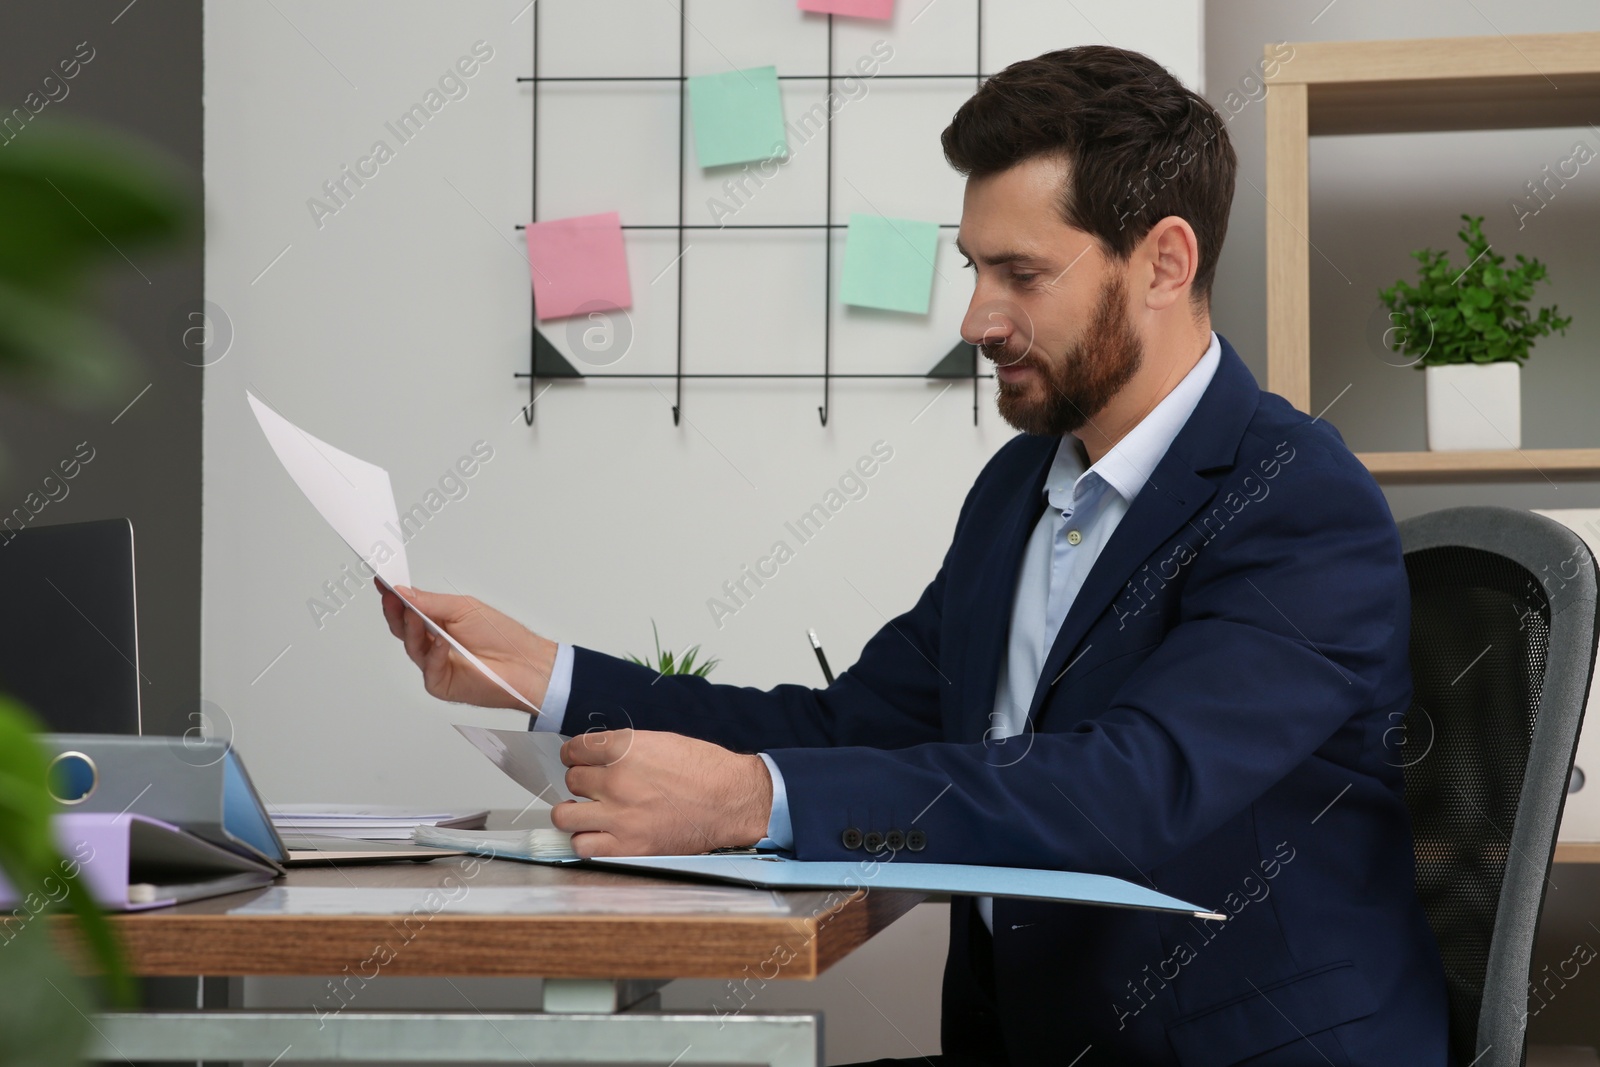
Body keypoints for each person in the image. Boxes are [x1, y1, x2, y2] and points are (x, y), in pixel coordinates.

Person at [381, 44, 1449, 1067]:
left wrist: (755, 798)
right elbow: (846, 727)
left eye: (1020, 273)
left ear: (1163, 261)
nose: (977, 316)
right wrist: (549, 674)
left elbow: (1129, 788)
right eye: (973, 267)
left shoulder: (1296, 497)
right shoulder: (1016, 494)